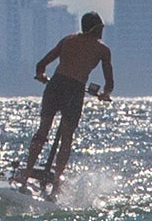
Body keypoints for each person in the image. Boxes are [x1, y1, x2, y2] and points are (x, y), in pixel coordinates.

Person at [22, 12, 114, 186]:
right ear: (94, 29)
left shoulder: (68, 40)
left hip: (55, 86)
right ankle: (56, 182)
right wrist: (105, 94)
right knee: (66, 138)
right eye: (100, 28)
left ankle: (26, 174)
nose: (102, 32)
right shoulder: (102, 49)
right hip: (74, 91)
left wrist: (41, 76)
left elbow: (41, 65)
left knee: (43, 130)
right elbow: (109, 83)